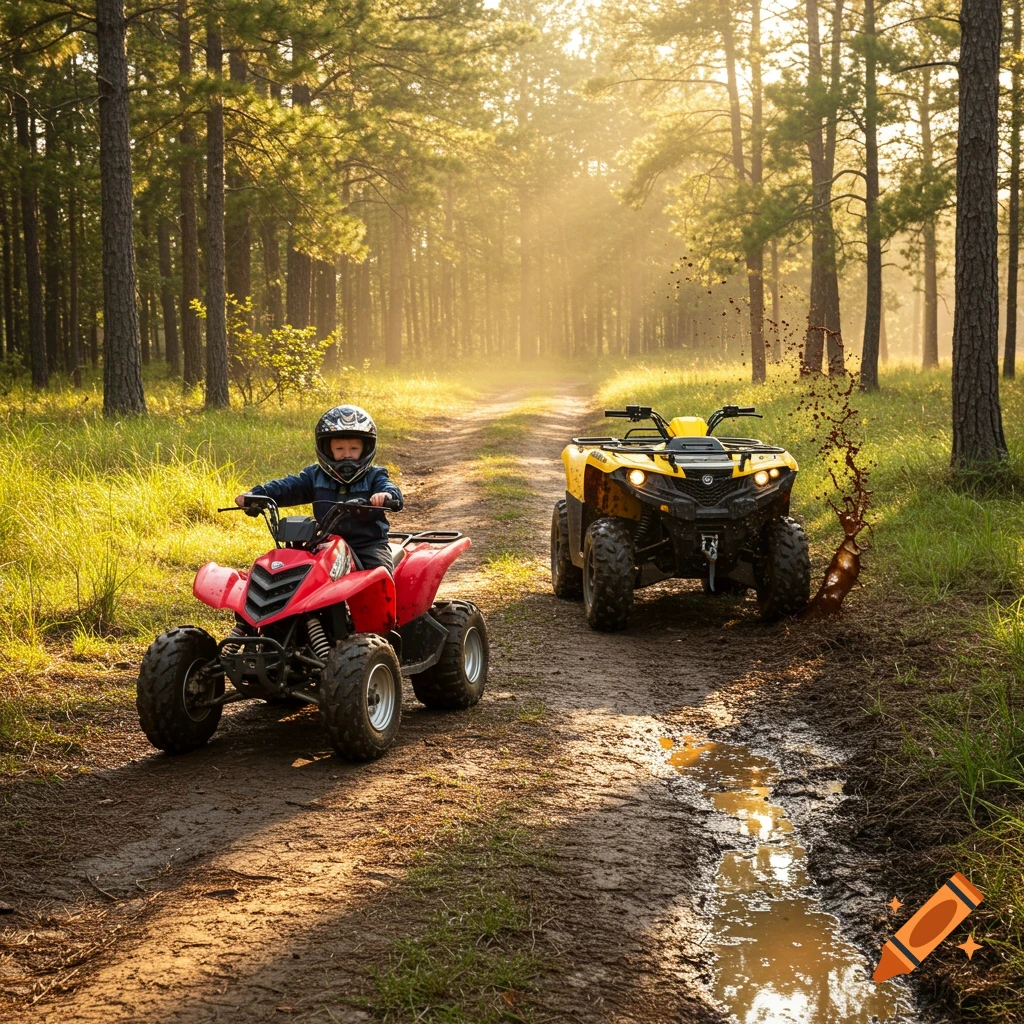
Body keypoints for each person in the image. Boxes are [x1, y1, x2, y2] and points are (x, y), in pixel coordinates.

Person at [235, 405, 403, 573]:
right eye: (339, 449)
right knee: (293, 569)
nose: (347, 454)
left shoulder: (374, 475)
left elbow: (388, 487)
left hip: (366, 544)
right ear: (327, 450)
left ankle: (384, 599)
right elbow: (289, 486)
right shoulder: (314, 476)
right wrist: (256, 495)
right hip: (325, 542)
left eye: (354, 448)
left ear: (365, 449)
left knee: (380, 572)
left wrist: (385, 495)